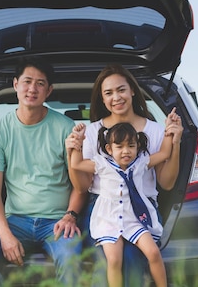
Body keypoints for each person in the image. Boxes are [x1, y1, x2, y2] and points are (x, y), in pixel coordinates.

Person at [0, 60, 87, 286]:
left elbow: (81, 185)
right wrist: (5, 235)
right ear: (16, 84)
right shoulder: (0, 129)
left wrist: (70, 215)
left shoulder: (66, 127)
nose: (32, 89)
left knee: (70, 263)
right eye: (27, 82)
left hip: (57, 222)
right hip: (16, 222)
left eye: (40, 83)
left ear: (48, 91)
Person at [66, 64, 183, 286]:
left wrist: (174, 143)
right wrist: (72, 148)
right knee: (108, 262)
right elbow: (81, 185)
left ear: (132, 91)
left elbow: (167, 183)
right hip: (103, 208)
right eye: (108, 93)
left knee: (135, 259)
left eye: (121, 90)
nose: (116, 97)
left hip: (141, 209)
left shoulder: (156, 131)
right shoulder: (92, 133)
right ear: (101, 99)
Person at [68, 121, 176, 287]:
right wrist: (79, 143)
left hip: (134, 219)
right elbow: (76, 164)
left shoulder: (140, 163)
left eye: (131, 146)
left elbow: (164, 153)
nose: (126, 151)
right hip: (108, 220)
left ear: (137, 146)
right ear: (110, 149)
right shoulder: (102, 164)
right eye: (119, 147)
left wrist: (169, 132)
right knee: (114, 260)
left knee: (153, 253)